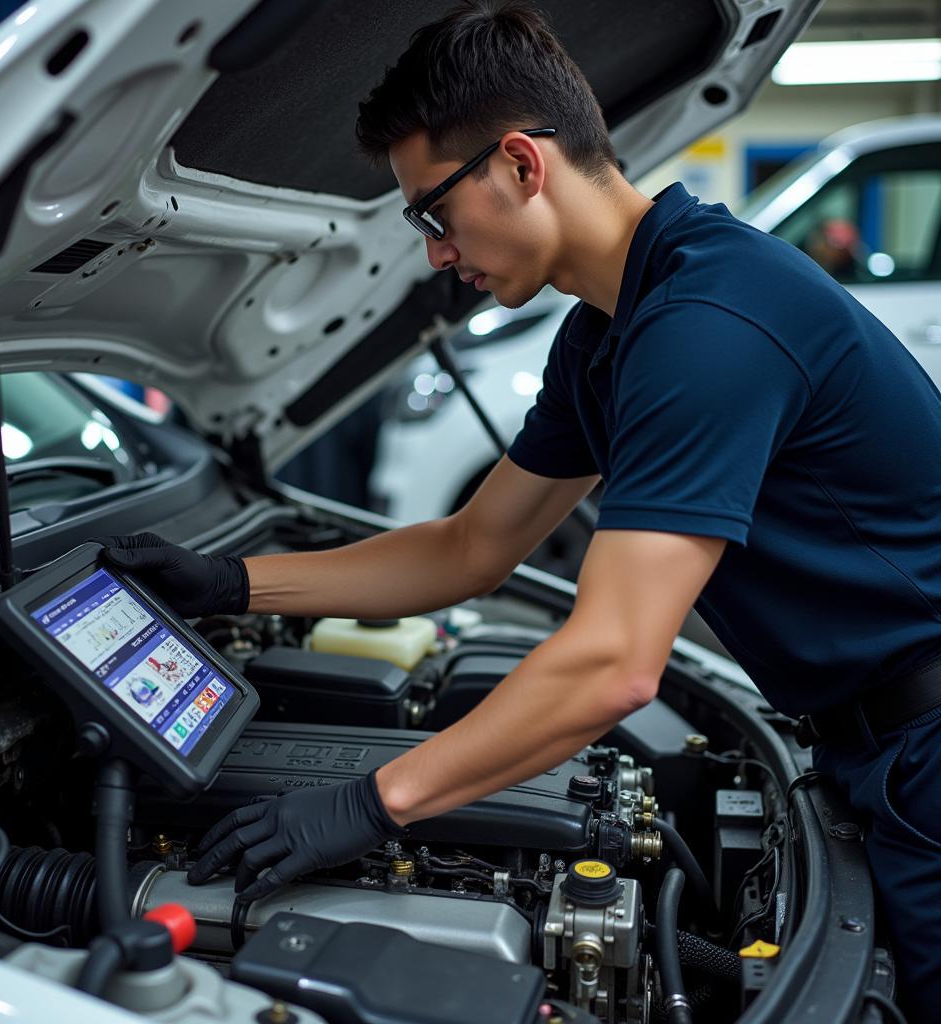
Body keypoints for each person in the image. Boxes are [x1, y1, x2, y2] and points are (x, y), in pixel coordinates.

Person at [99, 3, 941, 1015]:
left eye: (432, 213)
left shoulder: (708, 324)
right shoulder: (608, 332)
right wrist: (234, 581)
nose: (433, 256)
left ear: (520, 166)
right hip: (867, 746)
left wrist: (369, 805)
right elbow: (471, 545)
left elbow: (613, 662)